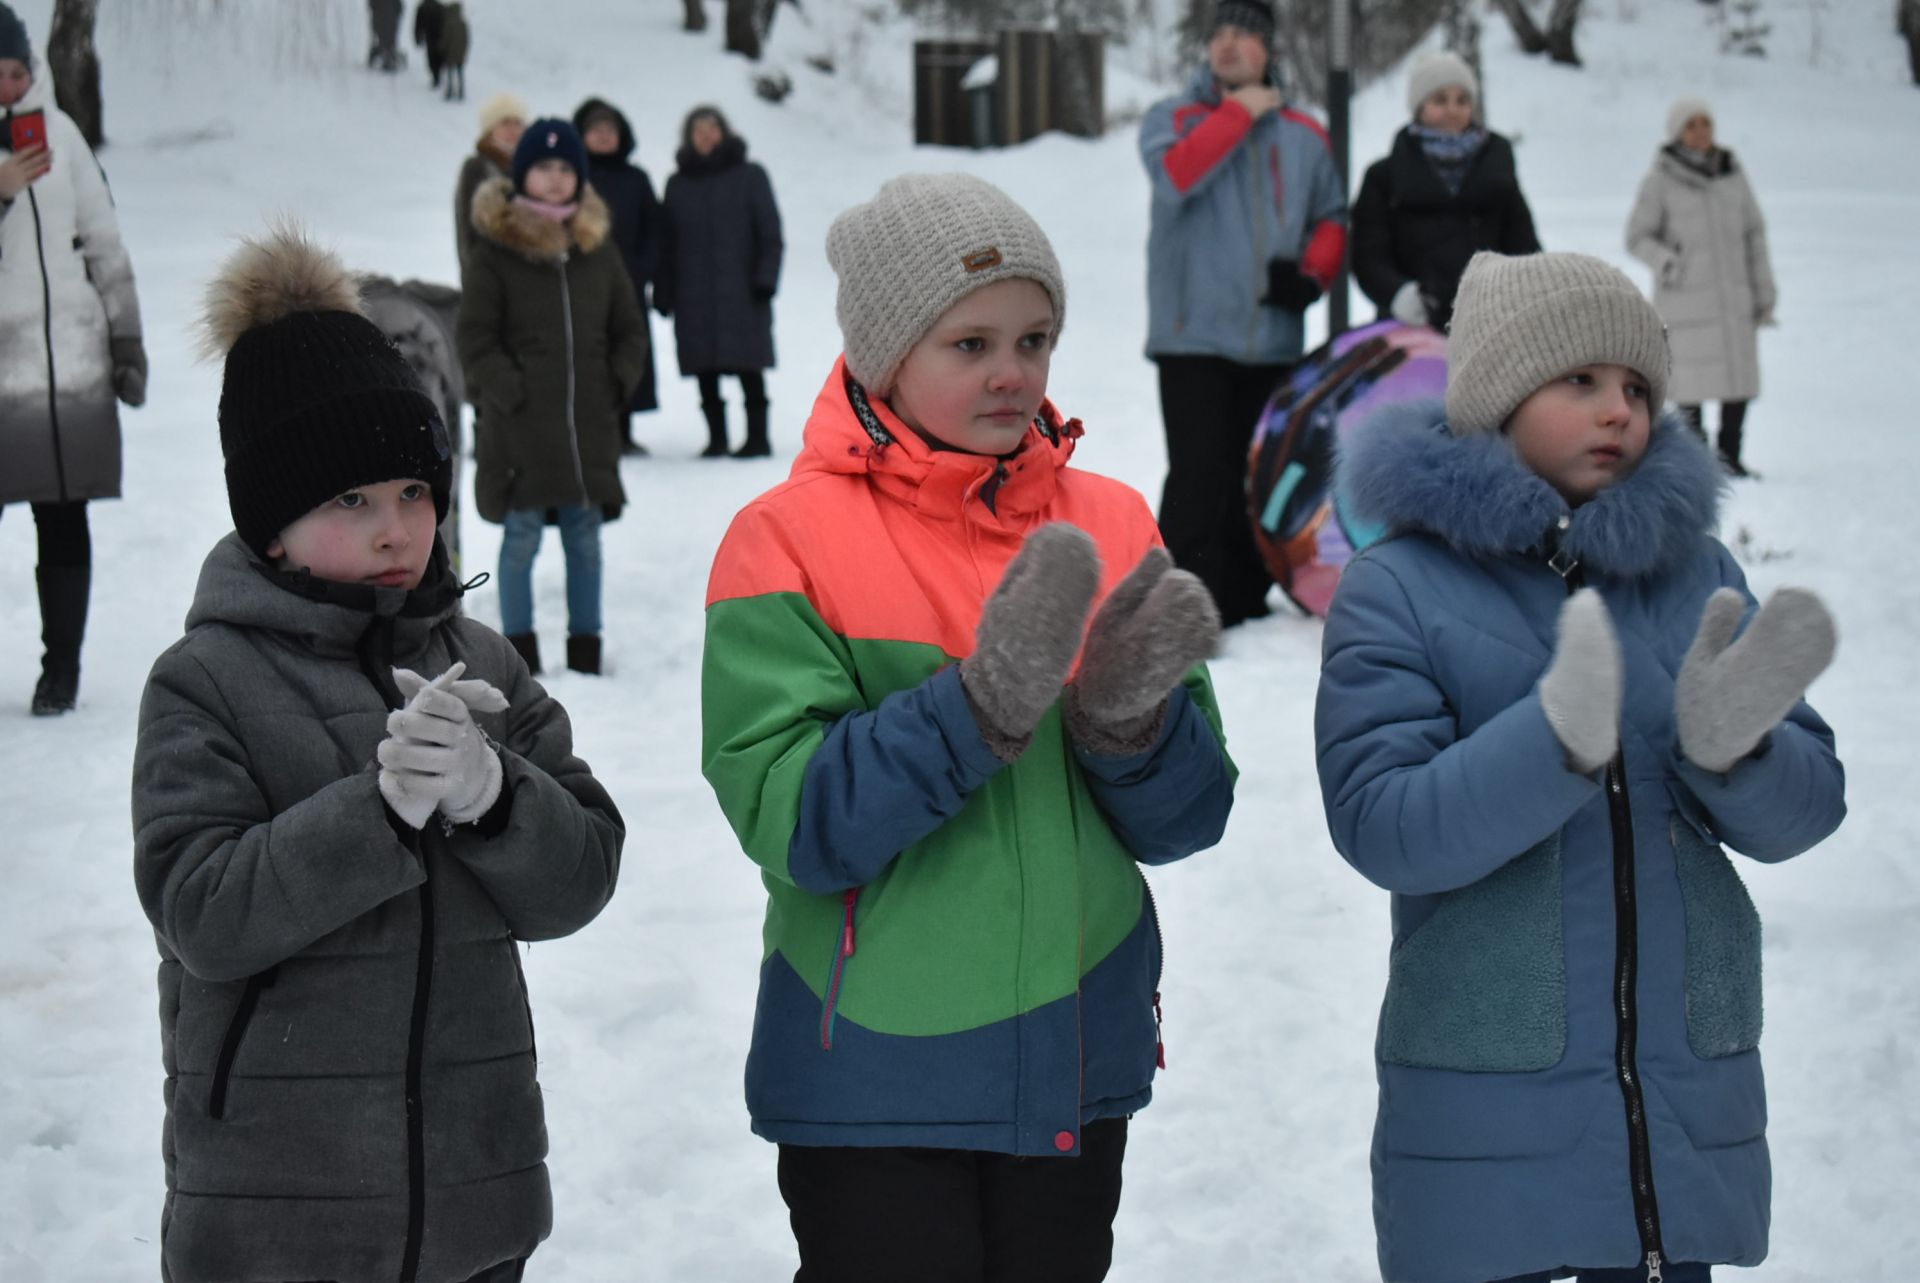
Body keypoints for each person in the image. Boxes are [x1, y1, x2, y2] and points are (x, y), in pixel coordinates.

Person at [702, 173, 1236, 1282]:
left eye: (1034, 337)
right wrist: (976, 707)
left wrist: (1129, 725)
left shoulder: (1114, 519)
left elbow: (1191, 819)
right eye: (971, 342)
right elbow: (796, 819)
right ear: (887, 354)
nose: (1013, 371)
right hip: (875, 1079)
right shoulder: (784, 541)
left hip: (1073, 1054)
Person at [1314, 251, 1845, 1283]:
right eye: (1581, 382)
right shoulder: (1398, 588)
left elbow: (1807, 808)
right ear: (1496, 399)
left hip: (1681, 1104)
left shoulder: (1696, 576)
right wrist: (1550, 738)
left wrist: (1738, 748)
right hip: (1486, 1101)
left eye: (1638, 387)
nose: (1620, 410)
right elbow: (1384, 822)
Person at [132, 224, 623, 1283]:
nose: (399, 528)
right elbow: (203, 913)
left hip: (473, 1201)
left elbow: (580, 878)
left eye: (414, 492)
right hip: (278, 1217)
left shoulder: (481, 656)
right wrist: (379, 808)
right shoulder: (204, 680)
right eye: (351, 501)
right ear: (272, 523)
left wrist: (494, 793)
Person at [1140, 0, 1346, 626]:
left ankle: (1245, 602)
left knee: (1259, 480)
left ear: (1269, 48)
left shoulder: (1305, 134)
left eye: (1245, 34)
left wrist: (1311, 273)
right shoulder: (1170, 118)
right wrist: (1236, 114)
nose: (1228, 44)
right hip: (1193, 336)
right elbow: (1177, 175)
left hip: (1273, 340)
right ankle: (1183, 613)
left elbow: (1333, 216)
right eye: (1219, 34)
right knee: (1200, 476)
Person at [457, 118, 648, 677]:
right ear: (521, 176)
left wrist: (614, 382)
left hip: (588, 427)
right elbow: (474, 336)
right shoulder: (495, 252)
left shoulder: (597, 250)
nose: (555, 177)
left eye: (566, 168)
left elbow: (629, 330)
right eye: (543, 167)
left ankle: (586, 651)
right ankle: (521, 656)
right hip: (520, 428)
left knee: (585, 540)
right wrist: (509, 389)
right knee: (521, 540)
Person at [0, 9, 146, 716]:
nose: (7, 85)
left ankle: (61, 669)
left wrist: (126, 341)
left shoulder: (63, 137)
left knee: (63, 521)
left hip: (69, 374)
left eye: (16, 72)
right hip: (3, 374)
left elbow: (106, 245)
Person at [1626, 96, 1776, 478]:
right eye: (1690, 125)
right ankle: (1698, 464)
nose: (1700, 132)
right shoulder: (1660, 180)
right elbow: (1637, 236)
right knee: (1690, 386)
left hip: (1732, 300)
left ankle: (1730, 459)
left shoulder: (1732, 174)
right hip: (1686, 302)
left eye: (1705, 123)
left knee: (1737, 381)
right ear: (1677, 133)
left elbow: (1753, 234)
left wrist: (1763, 291)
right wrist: (1670, 263)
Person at [1350, 49, 1540, 333]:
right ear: (1420, 107)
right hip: (1407, 331)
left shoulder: (1498, 170)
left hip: (1488, 329)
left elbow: (1525, 251)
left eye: (1462, 100)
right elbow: (1368, 252)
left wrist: (1512, 297)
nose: (1452, 109)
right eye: (1440, 100)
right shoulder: (1384, 176)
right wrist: (1398, 294)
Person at [655, 104, 782, 458]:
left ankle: (758, 438)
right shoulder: (677, 184)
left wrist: (765, 279)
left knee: (749, 365)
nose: (706, 134)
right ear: (689, 137)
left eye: (712, 127)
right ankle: (717, 439)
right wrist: (664, 292)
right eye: (698, 129)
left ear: (724, 132)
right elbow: (667, 244)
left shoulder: (750, 175)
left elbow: (770, 233)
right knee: (704, 368)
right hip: (693, 293)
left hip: (742, 290)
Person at [574, 95, 661, 456]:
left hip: (628, 284)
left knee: (628, 351)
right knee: (587, 354)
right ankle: (589, 431)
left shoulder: (636, 179)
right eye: (595, 129)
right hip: (582, 285)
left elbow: (655, 229)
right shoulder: (573, 178)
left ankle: (624, 431)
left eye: (609, 129)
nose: (603, 135)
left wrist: (642, 269)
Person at [454, 92, 524, 273]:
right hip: (488, 272)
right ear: (490, 128)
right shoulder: (477, 167)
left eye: (517, 122)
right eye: (505, 122)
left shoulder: (532, 169)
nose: (513, 129)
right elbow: (467, 229)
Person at [413, 0, 446, 89]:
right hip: (440, 36)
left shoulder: (422, 7)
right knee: (439, 56)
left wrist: (417, 37)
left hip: (430, 37)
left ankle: (436, 77)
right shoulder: (440, 7)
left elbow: (417, 24)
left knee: (432, 58)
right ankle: (438, 74)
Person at [439, 1, 468, 102]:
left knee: (450, 72)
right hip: (460, 52)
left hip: (450, 52)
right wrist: (464, 51)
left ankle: (450, 90)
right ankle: (461, 91)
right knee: (460, 72)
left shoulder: (449, 23)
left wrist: (443, 48)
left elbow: (446, 38)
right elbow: (466, 39)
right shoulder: (463, 23)